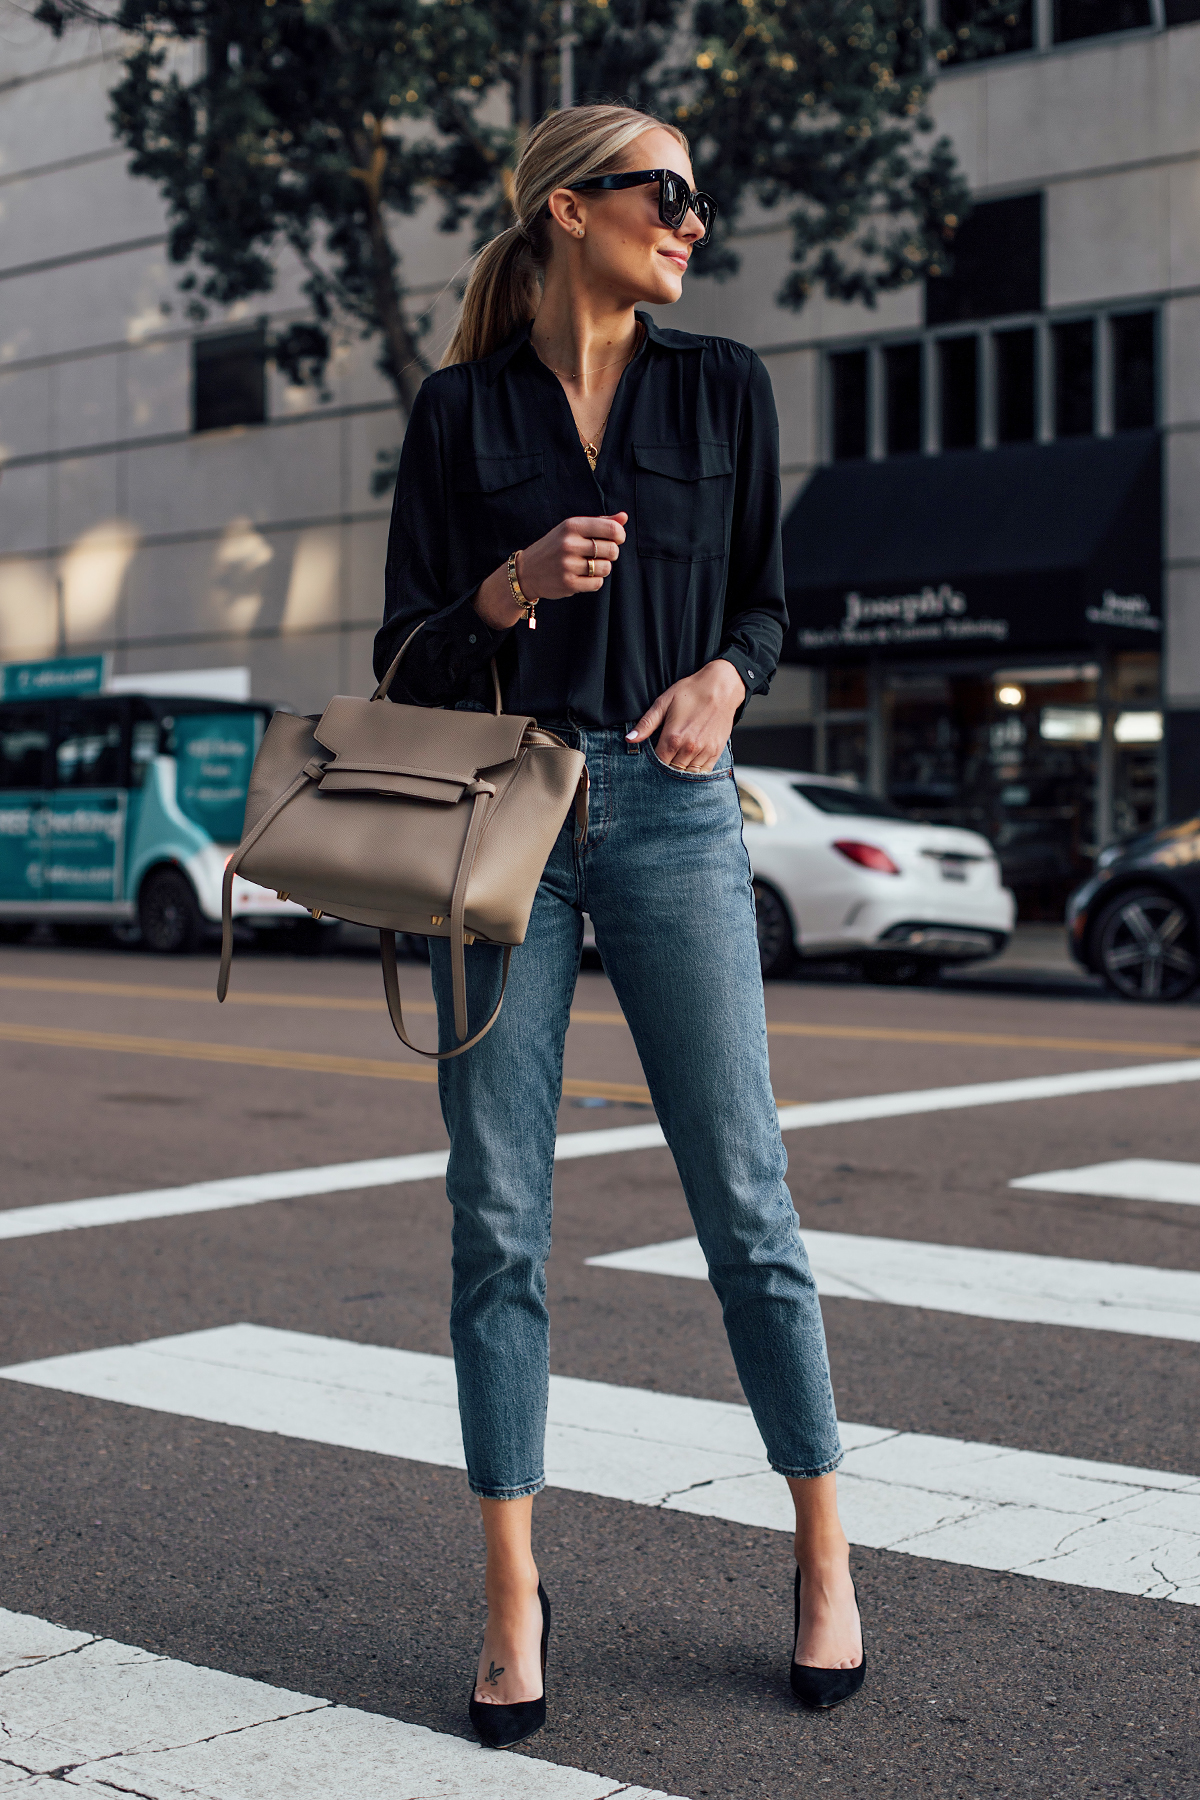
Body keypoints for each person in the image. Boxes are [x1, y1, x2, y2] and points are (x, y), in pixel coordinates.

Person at [374, 102, 865, 1747]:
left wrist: (729, 681)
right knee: (497, 1220)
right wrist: (507, 592)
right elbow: (404, 659)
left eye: (697, 199)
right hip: (506, 821)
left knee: (748, 1201)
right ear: (572, 211)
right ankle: (512, 1591)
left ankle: (821, 1559)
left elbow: (766, 604)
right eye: (668, 194)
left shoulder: (724, 386)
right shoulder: (458, 414)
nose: (694, 222)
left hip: (665, 814)